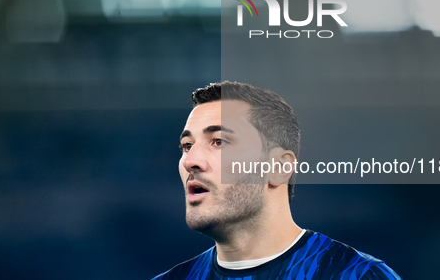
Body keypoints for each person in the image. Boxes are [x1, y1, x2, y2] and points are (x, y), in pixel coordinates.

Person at [153, 81, 401, 280]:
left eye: (219, 141)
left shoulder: (358, 275)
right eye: (187, 146)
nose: (190, 161)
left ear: (280, 167)